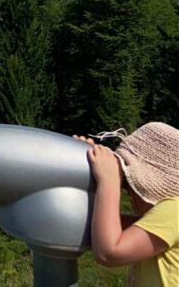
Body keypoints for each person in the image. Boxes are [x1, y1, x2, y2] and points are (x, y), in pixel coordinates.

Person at [76, 122, 179, 286]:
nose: (128, 192)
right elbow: (95, 225)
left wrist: (109, 181)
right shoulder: (163, 222)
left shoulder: (175, 211)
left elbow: (109, 252)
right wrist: (86, 162)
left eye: (129, 184)